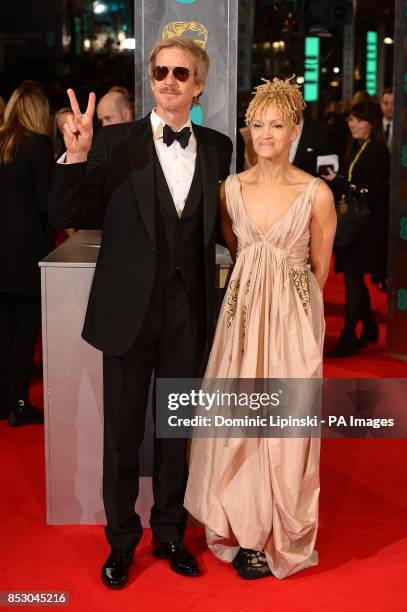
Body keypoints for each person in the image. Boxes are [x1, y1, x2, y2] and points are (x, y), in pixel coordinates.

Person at [48, 37, 232, 588]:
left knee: (176, 428)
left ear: (198, 85)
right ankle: (122, 540)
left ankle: (170, 533)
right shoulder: (112, 142)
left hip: (188, 312)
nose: (169, 80)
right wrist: (76, 154)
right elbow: (67, 212)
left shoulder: (220, 148)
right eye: (160, 71)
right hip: (128, 310)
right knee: (123, 433)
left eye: (181, 72)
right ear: (150, 78)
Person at [185, 77, 336, 580]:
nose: (265, 133)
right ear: (247, 130)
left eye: (276, 123)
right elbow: (236, 247)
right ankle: (248, 534)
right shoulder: (229, 189)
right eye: (256, 124)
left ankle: (280, 530)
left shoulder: (316, 193)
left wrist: (301, 323)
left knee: (287, 428)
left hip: (293, 323)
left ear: (295, 128)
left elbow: (320, 267)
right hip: (243, 321)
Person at [0, 81, 54, 426]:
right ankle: (19, 403)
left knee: (4, 330)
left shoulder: (4, 143)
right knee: (25, 331)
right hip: (27, 253)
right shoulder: (38, 145)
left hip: (2, 256)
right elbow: (45, 202)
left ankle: (4, 400)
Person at [322, 101, 390, 357]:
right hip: (352, 224)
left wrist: (339, 182)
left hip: (366, 227)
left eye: (359, 120)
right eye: (351, 119)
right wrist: (337, 181)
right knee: (354, 279)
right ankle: (370, 327)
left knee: (353, 279)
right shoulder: (355, 146)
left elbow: (368, 191)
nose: (353, 124)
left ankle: (349, 336)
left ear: (371, 124)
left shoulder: (378, 150)